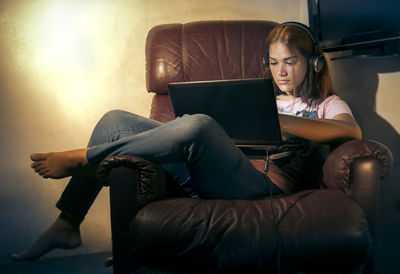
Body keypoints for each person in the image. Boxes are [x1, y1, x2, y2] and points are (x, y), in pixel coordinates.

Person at [12, 22, 361, 261]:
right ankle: (67, 224)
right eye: (273, 62)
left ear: (314, 64)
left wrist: (280, 119)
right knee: (114, 119)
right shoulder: (257, 95)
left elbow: (350, 132)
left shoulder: (325, 104)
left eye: (290, 61)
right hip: (210, 172)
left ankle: (85, 158)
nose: (281, 71)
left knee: (199, 126)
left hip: (259, 185)